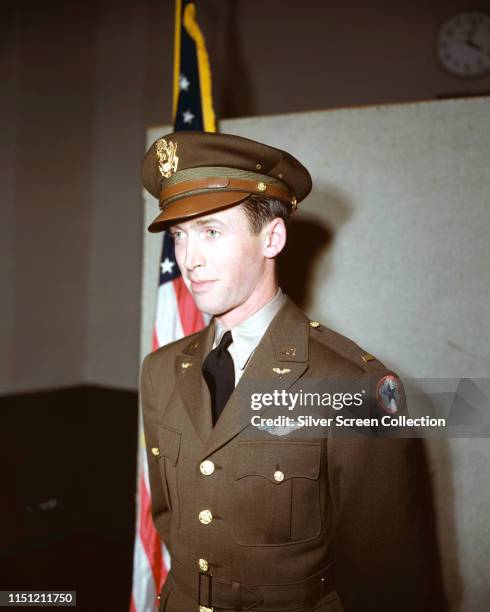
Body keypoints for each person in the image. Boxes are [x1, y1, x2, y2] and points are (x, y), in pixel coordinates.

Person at [140, 131, 445, 612]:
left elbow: (391, 581)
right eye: (180, 235)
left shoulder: (353, 385)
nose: (188, 260)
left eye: (211, 232)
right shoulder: (160, 371)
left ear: (273, 238)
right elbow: (169, 518)